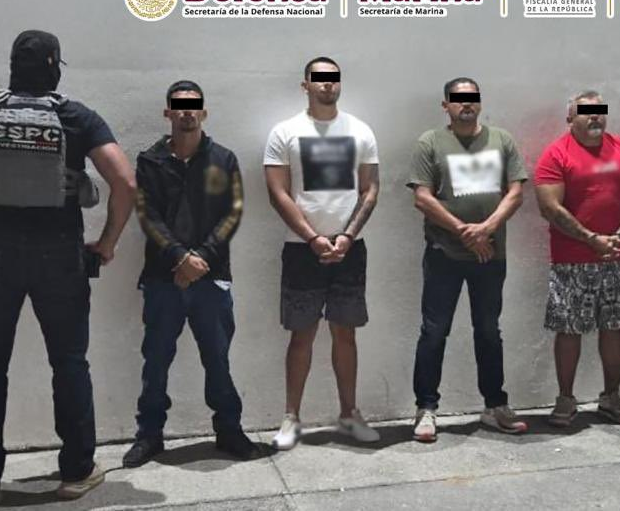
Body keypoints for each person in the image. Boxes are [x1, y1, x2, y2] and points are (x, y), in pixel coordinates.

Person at [0, 30, 136, 505]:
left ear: (13, 65)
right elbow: (125, 182)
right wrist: (108, 242)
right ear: (55, 66)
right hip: (59, 255)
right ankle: (76, 473)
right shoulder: (76, 117)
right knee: (69, 362)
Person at [122, 81, 261, 467]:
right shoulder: (150, 161)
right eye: (179, 106)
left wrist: (200, 259)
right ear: (167, 112)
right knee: (155, 361)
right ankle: (149, 436)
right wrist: (180, 258)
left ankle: (229, 431)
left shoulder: (223, 159)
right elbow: (147, 215)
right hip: (162, 278)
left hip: (211, 279)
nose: (187, 111)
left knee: (217, 359)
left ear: (204, 111)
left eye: (193, 105)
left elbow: (232, 213)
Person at [263, 56, 381, 450]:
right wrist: (313, 238)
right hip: (302, 251)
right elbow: (277, 192)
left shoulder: (360, 131)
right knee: (302, 335)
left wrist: (347, 235)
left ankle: (349, 414)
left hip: (350, 250)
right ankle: (291, 418)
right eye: (319, 78)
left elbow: (370, 189)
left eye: (333, 78)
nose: (327, 84)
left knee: (345, 333)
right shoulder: (285, 132)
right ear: (306, 85)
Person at [406, 77, 530, 442]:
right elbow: (422, 198)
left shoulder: (501, 140)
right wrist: (465, 232)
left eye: (472, 98)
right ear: (445, 105)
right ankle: (426, 409)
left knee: (489, 331)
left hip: (490, 255)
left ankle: (495, 406)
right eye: (458, 99)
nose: (466, 104)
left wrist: (486, 229)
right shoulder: (430, 142)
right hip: (443, 254)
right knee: (434, 332)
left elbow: (516, 192)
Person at [532, 90, 620, 428]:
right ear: (570, 117)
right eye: (586, 111)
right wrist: (590, 239)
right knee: (569, 329)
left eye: (600, 111)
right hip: (571, 260)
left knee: (614, 326)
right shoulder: (556, 154)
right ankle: (566, 400)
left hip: (616, 256)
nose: (595, 116)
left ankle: (611, 397)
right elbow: (549, 207)